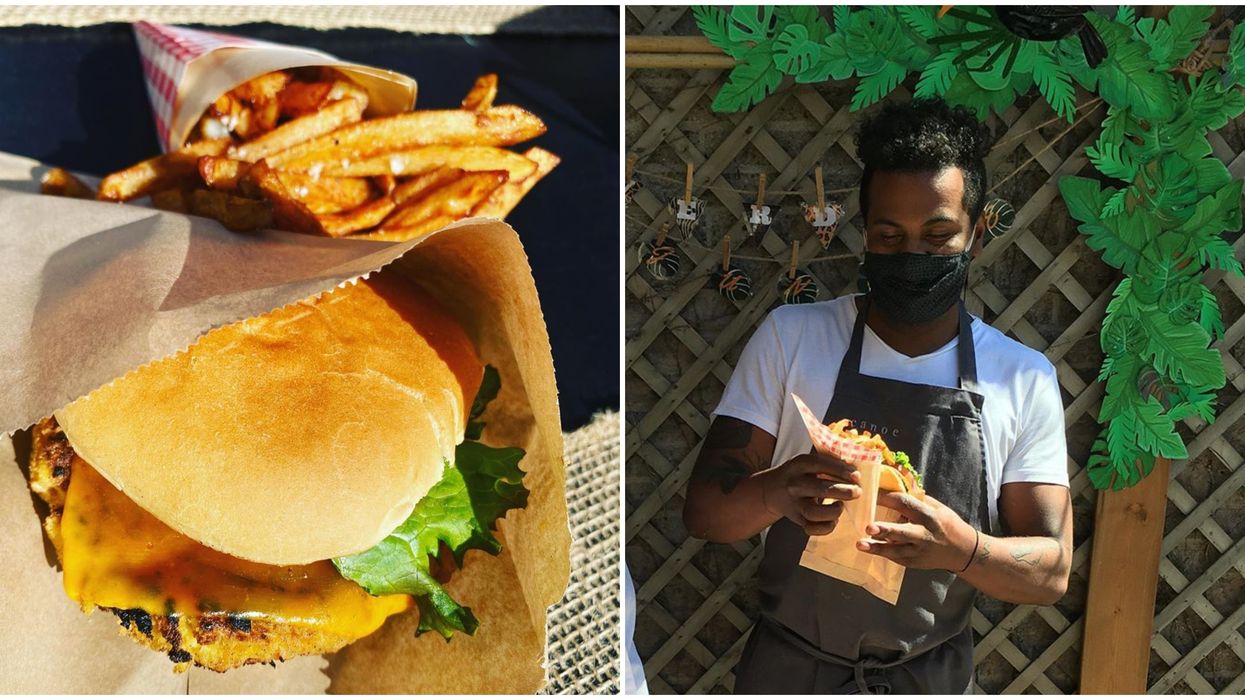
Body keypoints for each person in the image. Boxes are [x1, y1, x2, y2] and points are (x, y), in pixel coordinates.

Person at [682, 98, 1072, 694]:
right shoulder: (794, 338)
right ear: (866, 234)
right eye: (890, 237)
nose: (912, 255)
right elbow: (704, 513)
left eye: (938, 236)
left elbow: (1051, 571)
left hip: (928, 680)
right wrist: (775, 491)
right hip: (789, 675)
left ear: (976, 234)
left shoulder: (1021, 377)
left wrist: (961, 548)